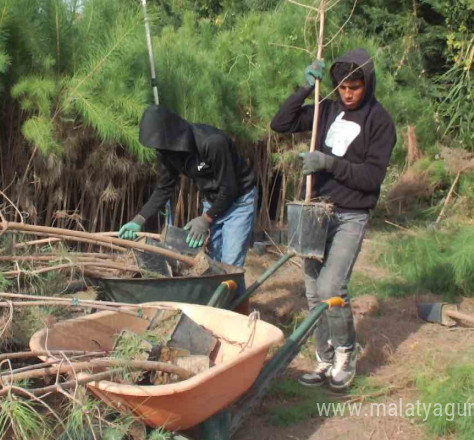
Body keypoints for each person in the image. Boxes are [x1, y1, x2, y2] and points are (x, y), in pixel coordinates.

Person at [270, 48, 396, 390]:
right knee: (312, 292)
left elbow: (371, 177)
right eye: (341, 86)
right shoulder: (327, 110)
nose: (347, 93)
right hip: (316, 211)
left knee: (330, 287)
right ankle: (324, 359)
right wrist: (304, 89)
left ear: (366, 83)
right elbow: (280, 124)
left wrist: (328, 164)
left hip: (350, 215)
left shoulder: (379, 121)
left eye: (354, 86)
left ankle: (345, 353)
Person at [118, 105, 258, 272]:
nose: (159, 151)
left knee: (230, 264)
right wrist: (139, 220)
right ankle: (217, 298)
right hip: (213, 200)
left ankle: (236, 297)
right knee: (209, 262)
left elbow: (229, 189)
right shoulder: (169, 153)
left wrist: (206, 219)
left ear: (171, 137)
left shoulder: (212, 143)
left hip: (238, 202)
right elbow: (164, 188)